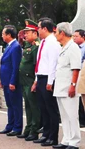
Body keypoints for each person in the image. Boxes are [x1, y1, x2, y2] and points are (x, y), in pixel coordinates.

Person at [33, 17, 61, 147]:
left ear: (45, 28)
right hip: (41, 77)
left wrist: (50, 82)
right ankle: (45, 134)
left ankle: (53, 137)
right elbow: (40, 63)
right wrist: (36, 80)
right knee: (43, 108)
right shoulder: (43, 42)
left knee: (51, 109)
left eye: (39, 27)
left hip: (48, 78)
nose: (37, 30)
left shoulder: (52, 42)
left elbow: (52, 64)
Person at [53, 22, 81, 149]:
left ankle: (74, 141)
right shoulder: (63, 47)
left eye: (56, 32)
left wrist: (73, 85)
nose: (55, 35)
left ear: (62, 33)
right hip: (61, 86)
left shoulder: (73, 47)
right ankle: (67, 139)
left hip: (69, 87)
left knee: (72, 115)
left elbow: (76, 68)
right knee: (64, 116)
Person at [16, 19, 41, 141]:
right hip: (24, 81)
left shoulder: (36, 47)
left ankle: (34, 130)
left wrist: (35, 82)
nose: (25, 35)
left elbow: (37, 66)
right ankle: (29, 128)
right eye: (25, 33)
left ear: (35, 34)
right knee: (28, 106)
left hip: (31, 80)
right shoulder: (28, 46)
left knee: (34, 107)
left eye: (28, 33)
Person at [0, 25, 23, 136]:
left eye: (3, 34)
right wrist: (2, 80)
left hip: (12, 82)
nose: (2, 36)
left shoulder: (16, 47)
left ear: (9, 35)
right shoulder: (9, 46)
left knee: (15, 105)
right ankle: (10, 125)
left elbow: (15, 66)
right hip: (6, 81)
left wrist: (13, 81)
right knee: (10, 104)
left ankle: (17, 127)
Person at [72, 29, 85, 128]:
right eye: (73, 36)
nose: (74, 38)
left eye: (76, 36)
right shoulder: (74, 48)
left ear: (83, 37)